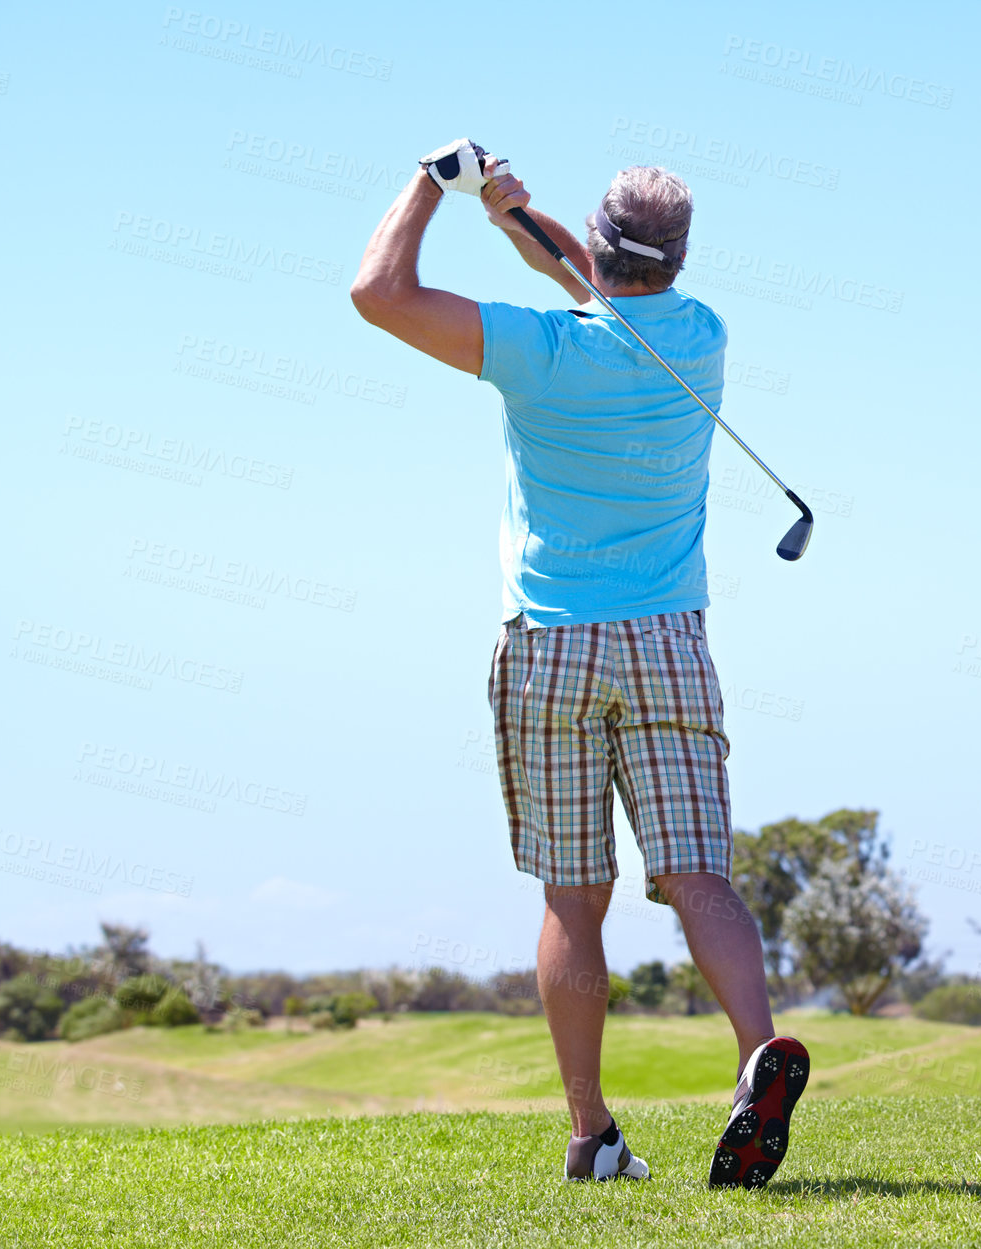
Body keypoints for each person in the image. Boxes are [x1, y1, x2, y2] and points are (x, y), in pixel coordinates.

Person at [350, 138, 810, 1190]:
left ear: (603, 248)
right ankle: (756, 1057)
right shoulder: (697, 337)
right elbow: (588, 276)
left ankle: (591, 1132)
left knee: (573, 895)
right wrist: (511, 214)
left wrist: (433, 186)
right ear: (679, 261)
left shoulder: (540, 351)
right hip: (669, 642)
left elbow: (378, 292)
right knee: (698, 873)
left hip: (552, 644)